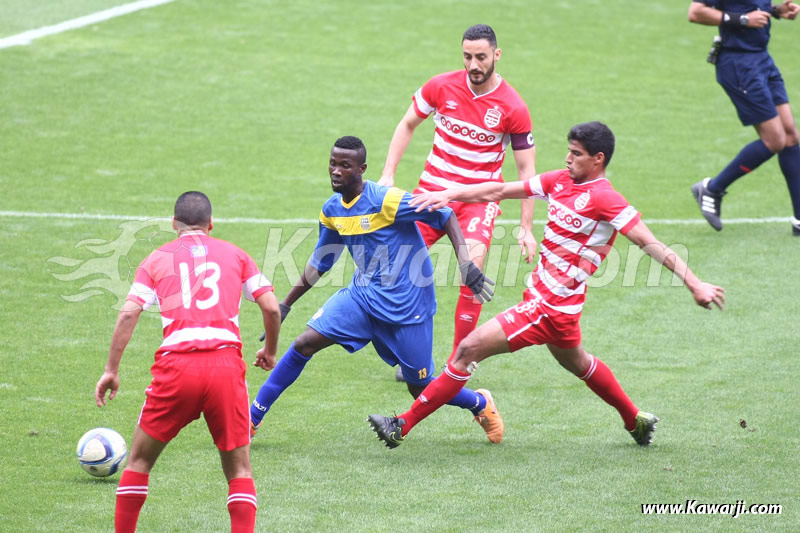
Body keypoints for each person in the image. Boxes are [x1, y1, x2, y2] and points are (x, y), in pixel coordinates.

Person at [368, 122, 726, 448]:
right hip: (558, 309)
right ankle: (634, 420)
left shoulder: (604, 198)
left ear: (598, 159)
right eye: (568, 151)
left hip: (549, 308)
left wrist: (695, 283)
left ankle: (401, 425)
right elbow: (502, 189)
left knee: (467, 350)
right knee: (581, 363)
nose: (567, 158)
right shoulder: (559, 180)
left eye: (576, 154)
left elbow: (650, 243)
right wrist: (451, 193)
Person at [249, 136, 504, 443]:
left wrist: (465, 263)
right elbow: (321, 261)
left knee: (420, 387)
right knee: (304, 344)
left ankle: (480, 403)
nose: (336, 171)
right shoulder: (332, 210)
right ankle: (251, 420)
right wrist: (285, 305)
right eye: (333, 163)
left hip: (408, 309)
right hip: (363, 299)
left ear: (362, 169)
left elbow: (444, 213)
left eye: (345, 166)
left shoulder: (387, 201)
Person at [95, 191, 282, 533]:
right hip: (225, 368)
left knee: (138, 462)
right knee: (239, 471)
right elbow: (271, 306)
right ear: (211, 224)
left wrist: (111, 370)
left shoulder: (156, 259)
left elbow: (128, 314)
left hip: (176, 369)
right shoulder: (236, 255)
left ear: (174, 225)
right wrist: (269, 351)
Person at [379, 24, 537, 380]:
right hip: (431, 194)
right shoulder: (440, 86)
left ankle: (458, 361)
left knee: (472, 274)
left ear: (497, 54)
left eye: (481, 56)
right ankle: (412, 356)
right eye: (467, 56)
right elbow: (407, 124)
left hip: (478, 203)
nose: (473, 64)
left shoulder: (513, 107)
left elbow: (527, 172)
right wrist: (388, 173)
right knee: (396, 269)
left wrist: (526, 227)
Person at [688, 1, 800, 234]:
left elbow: (749, 6)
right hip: (739, 65)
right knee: (775, 140)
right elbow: (696, 12)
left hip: (761, 59)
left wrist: (776, 11)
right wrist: (743, 20)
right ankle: (712, 188)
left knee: (790, 136)